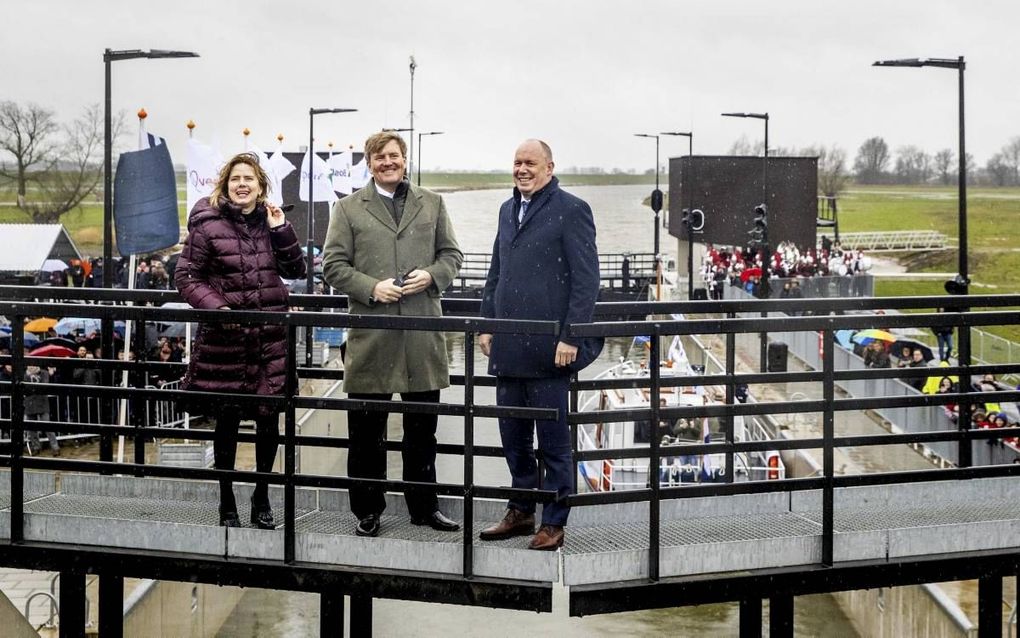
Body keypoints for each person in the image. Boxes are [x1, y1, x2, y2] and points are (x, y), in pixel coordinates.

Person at [321, 130, 463, 538]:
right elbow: (333, 265)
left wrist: (432, 276)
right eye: (380, 156)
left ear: (405, 160)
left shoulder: (433, 203)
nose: (388, 162)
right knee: (366, 432)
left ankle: (424, 508)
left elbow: (452, 255)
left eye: (394, 155)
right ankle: (367, 510)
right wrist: (371, 288)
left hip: (421, 336)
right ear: (369, 163)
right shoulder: (347, 209)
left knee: (422, 431)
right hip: (373, 336)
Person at [477, 139, 601, 551]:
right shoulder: (506, 209)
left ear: (549, 167)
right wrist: (486, 325)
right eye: (517, 162)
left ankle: (554, 519)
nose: (522, 169)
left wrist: (572, 335)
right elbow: (496, 270)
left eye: (530, 162)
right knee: (513, 439)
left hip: (550, 350)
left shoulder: (572, 210)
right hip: (509, 347)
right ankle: (521, 510)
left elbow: (586, 282)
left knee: (553, 443)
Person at [175, 152, 306, 529]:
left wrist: (281, 228)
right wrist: (218, 309)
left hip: (268, 341)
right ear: (225, 185)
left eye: (250, 178)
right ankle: (226, 501)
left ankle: (261, 496)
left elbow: (295, 269)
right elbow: (187, 277)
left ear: (261, 186)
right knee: (227, 423)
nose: (242, 184)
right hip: (227, 340)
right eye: (236, 178)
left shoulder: (270, 222)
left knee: (269, 423)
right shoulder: (207, 225)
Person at [24, 354, 59, 456]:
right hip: (29, 403)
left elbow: (44, 386)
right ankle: (36, 447)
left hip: (42, 403)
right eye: (29, 365)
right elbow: (24, 388)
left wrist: (35, 381)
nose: (32, 367)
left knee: (47, 426)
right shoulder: (24, 375)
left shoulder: (44, 373)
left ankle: (55, 447)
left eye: (34, 364)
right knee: (32, 429)